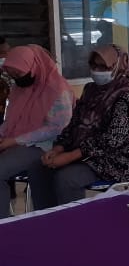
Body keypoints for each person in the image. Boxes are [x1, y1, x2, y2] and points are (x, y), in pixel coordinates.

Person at [26, 45, 129, 209]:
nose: (97, 70)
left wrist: (70, 156)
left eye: (103, 67)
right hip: (88, 152)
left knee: (67, 178)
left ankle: (73, 223)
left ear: (118, 65)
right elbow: (74, 124)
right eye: (94, 65)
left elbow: (113, 139)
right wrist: (58, 149)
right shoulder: (90, 90)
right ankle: (47, 219)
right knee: (39, 168)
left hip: (121, 157)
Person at [0, 45, 75, 215]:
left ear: (33, 66)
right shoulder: (19, 89)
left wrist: (14, 141)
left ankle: (3, 224)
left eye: (18, 73)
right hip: (19, 142)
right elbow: (11, 120)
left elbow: (57, 129)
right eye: (12, 75)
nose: (16, 78)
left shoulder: (57, 90)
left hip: (46, 146)